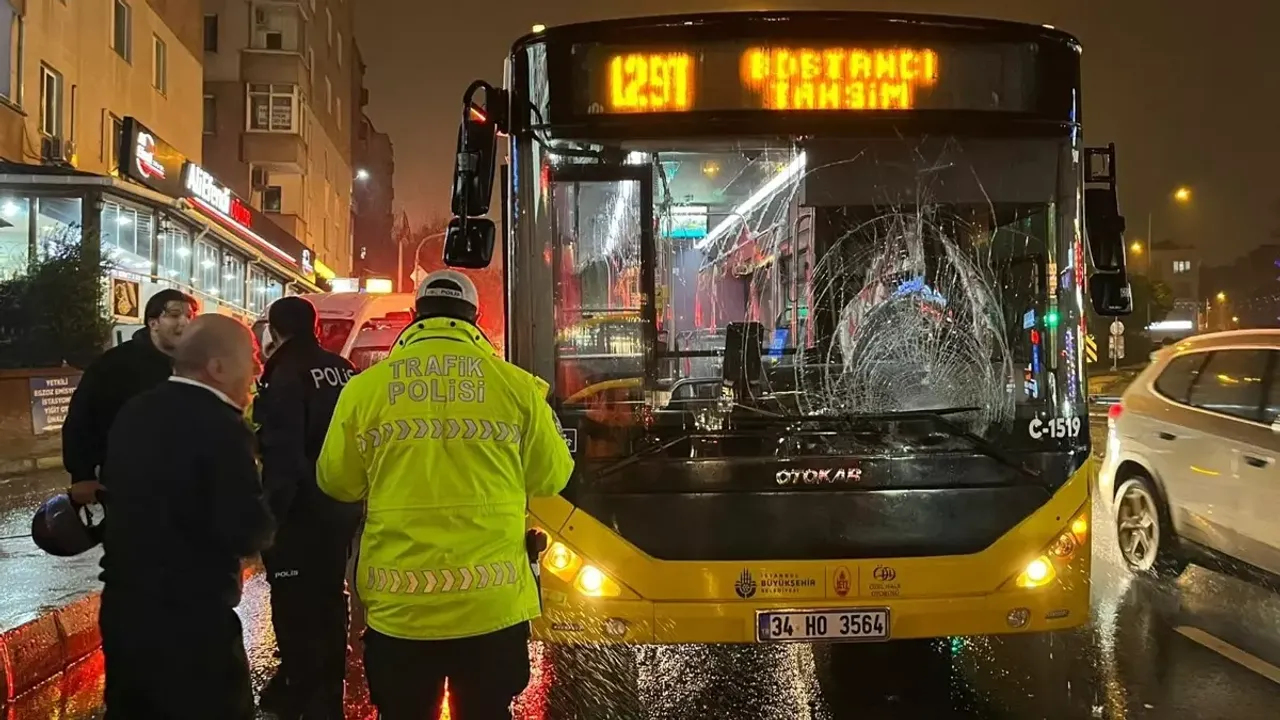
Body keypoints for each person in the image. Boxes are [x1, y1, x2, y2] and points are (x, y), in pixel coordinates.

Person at [317, 269, 574, 719]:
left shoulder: (365, 389)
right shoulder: (517, 388)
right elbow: (552, 478)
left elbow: (336, 482)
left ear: (415, 316)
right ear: (477, 318)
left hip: (400, 611)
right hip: (491, 611)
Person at [97, 314, 275, 719]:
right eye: (250, 357)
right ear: (217, 367)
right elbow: (246, 530)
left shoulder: (135, 411)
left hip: (125, 610)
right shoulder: (222, 427)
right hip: (191, 623)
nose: (258, 368)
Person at [254, 296, 362, 720]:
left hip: (300, 512)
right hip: (340, 508)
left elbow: (283, 456)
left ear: (275, 331)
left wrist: (269, 519)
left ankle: (301, 687)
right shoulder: (342, 369)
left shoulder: (284, 374)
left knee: (295, 603)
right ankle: (327, 684)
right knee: (330, 594)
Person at [62, 288, 197, 507]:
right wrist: (82, 474)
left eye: (190, 316)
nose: (185, 322)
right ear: (152, 323)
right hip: (129, 484)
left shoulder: (198, 364)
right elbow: (82, 418)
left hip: (186, 485)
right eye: (174, 315)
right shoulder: (114, 365)